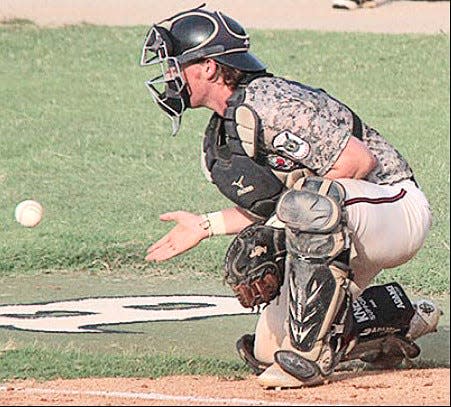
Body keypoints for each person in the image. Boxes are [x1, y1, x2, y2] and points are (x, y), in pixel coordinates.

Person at [140, 5, 438, 388]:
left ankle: (307, 360)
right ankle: (392, 315)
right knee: (267, 349)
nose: (169, 76)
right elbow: (272, 205)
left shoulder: (268, 103)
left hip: (392, 206)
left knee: (308, 207)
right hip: (337, 222)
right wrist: (204, 225)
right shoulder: (224, 134)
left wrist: (280, 226)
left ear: (209, 67)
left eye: (176, 65)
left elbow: (356, 160)